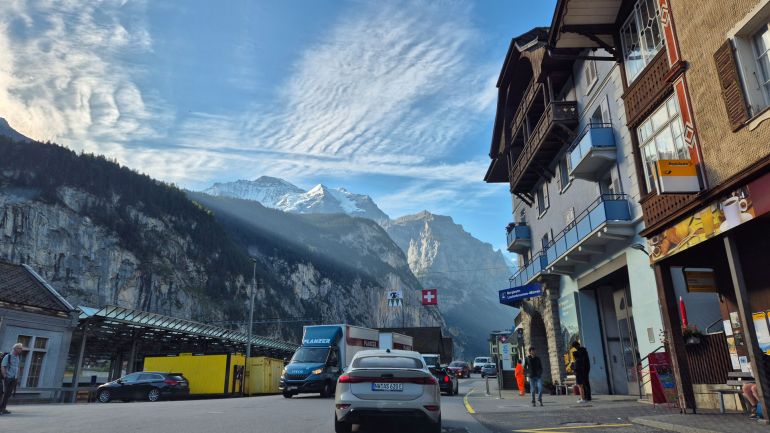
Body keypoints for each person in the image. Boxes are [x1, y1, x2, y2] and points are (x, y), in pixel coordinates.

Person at [0, 343, 23, 415]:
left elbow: (16, 367)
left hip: (14, 378)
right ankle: (1, 408)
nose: (21, 350)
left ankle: (3, 408)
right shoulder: (8, 356)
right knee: (4, 393)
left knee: (8, 394)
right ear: (15, 349)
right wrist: (5, 376)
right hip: (8, 378)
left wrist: (17, 377)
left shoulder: (17, 357)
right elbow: (3, 366)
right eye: (20, 348)